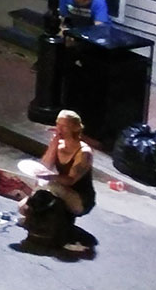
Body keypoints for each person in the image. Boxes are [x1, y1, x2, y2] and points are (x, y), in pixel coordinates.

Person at [16, 108, 97, 253]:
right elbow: (45, 166)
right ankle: (48, 221)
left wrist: (49, 178)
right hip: (59, 188)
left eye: (63, 126)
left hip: (79, 197)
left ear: (74, 128)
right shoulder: (59, 144)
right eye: (57, 125)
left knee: (50, 185)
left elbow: (71, 180)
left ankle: (57, 227)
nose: (59, 129)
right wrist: (54, 144)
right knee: (23, 207)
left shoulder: (84, 152)